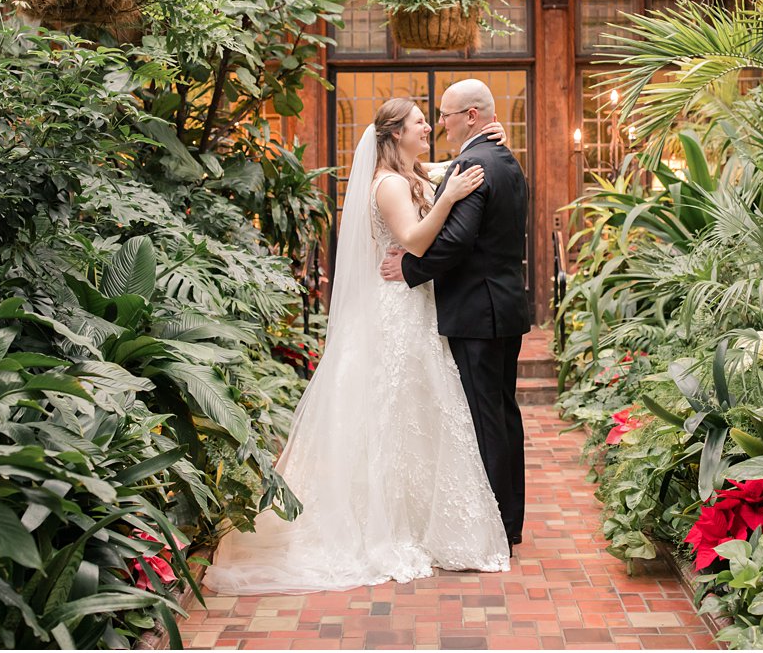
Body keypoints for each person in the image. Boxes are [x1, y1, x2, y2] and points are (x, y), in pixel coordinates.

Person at [203, 98, 511, 594]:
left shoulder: (409, 173)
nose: (427, 128)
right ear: (394, 136)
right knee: (398, 409)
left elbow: (443, 165)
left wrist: (488, 143)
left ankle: (423, 522)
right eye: (418, 124)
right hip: (398, 311)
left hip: (414, 306)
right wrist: (449, 198)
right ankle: (387, 526)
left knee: (422, 410)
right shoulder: (388, 184)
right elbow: (412, 240)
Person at [379, 78, 529, 551]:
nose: (437, 122)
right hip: (504, 305)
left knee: (485, 418)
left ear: (469, 116)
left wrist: (409, 267)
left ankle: (499, 525)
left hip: (475, 311)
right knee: (504, 413)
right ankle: (512, 519)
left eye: (443, 115)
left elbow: (457, 241)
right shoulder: (505, 159)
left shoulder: (473, 162)